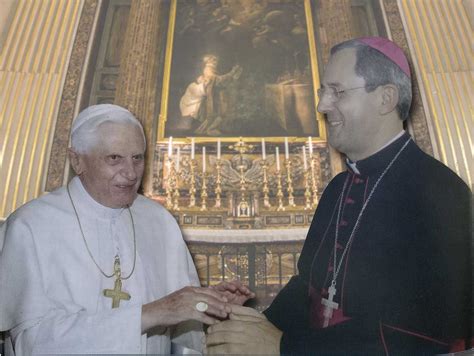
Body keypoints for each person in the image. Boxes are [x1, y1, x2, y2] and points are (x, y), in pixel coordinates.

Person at [205, 37, 471, 354]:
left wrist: (285, 347)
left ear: (386, 98)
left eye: (337, 91)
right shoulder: (338, 188)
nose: (321, 106)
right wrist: (256, 326)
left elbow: (428, 334)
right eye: (322, 92)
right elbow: (310, 287)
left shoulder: (441, 192)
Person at [0, 104, 253, 355]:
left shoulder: (158, 221)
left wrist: (209, 310)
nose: (131, 173)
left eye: (137, 158)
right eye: (114, 158)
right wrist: (150, 314)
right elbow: (31, 344)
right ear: (77, 160)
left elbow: (181, 341)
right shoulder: (31, 226)